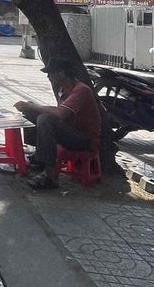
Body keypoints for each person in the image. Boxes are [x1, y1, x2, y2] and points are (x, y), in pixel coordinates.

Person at [14, 56, 101, 191]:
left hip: (85, 139)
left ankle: (50, 176)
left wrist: (32, 106)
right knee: (32, 113)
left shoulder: (81, 90)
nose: (48, 77)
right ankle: (39, 158)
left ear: (61, 73)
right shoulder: (64, 90)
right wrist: (29, 108)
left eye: (50, 73)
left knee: (45, 119)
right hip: (71, 132)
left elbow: (60, 113)